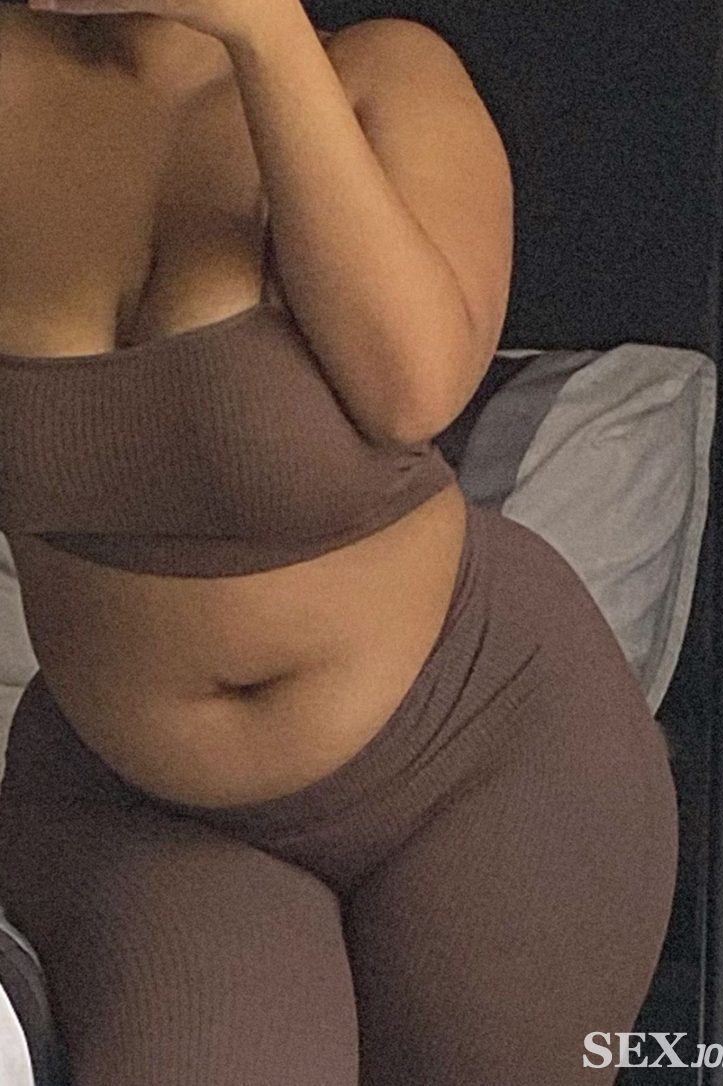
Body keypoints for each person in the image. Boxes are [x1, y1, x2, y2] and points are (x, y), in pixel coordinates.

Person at [0, 1, 678, 1082]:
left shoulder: (383, 75)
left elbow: (412, 386)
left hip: (479, 750)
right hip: (140, 806)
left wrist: (261, 34)